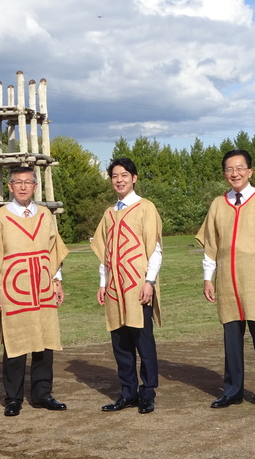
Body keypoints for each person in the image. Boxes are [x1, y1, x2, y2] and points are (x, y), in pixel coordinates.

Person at [195, 149, 255, 411]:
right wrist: (208, 278)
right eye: (229, 169)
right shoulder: (218, 204)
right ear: (224, 173)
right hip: (227, 282)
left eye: (239, 168)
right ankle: (233, 390)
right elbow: (211, 246)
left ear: (250, 171)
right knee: (231, 340)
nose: (234, 173)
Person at [0, 166, 69, 417]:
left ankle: (43, 394)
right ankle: (13, 398)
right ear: (10, 187)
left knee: (44, 342)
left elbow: (53, 251)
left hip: (42, 288)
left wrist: (57, 281)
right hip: (13, 288)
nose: (22, 186)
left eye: (27, 182)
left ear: (35, 186)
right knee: (15, 342)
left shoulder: (44, 215)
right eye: (17, 182)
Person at [91, 157, 163, 414]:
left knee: (143, 341)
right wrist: (103, 283)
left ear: (134, 178)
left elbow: (154, 249)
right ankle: (127, 392)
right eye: (114, 176)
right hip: (114, 288)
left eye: (124, 175)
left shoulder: (146, 208)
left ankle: (147, 393)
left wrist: (149, 282)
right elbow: (106, 253)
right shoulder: (109, 213)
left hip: (138, 286)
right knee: (120, 342)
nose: (119, 180)